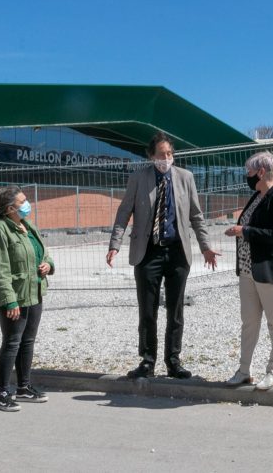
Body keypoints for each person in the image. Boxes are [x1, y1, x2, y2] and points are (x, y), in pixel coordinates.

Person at [107, 132, 218, 379]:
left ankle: (173, 361)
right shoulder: (139, 178)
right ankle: (147, 361)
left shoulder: (185, 178)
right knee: (148, 310)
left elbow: (196, 216)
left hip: (177, 252)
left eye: (169, 154)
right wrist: (114, 243)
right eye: (161, 155)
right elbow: (124, 211)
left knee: (175, 310)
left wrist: (205, 246)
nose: (166, 159)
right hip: (148, 253)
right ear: (151, 156)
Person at [223, 150, 273, 391]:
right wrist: (240, 230)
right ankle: (244, 370)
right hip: (247, 271)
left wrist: (244, 231)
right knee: (249, 323)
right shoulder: (257, 197)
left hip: (270, 270)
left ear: (261, 172)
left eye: (250, 172)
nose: (248, 176)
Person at [0, 186, 54, 412]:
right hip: (15, 296)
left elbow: (42, 252)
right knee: (12, 342)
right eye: (23, 201)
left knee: (27, 341)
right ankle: (3, 393)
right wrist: (9, 300)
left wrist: (48, 265)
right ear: (10, 208)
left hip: (34, 292)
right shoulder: (0, 230)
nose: (27, 204)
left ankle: (24, 387)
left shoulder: (28, 226)